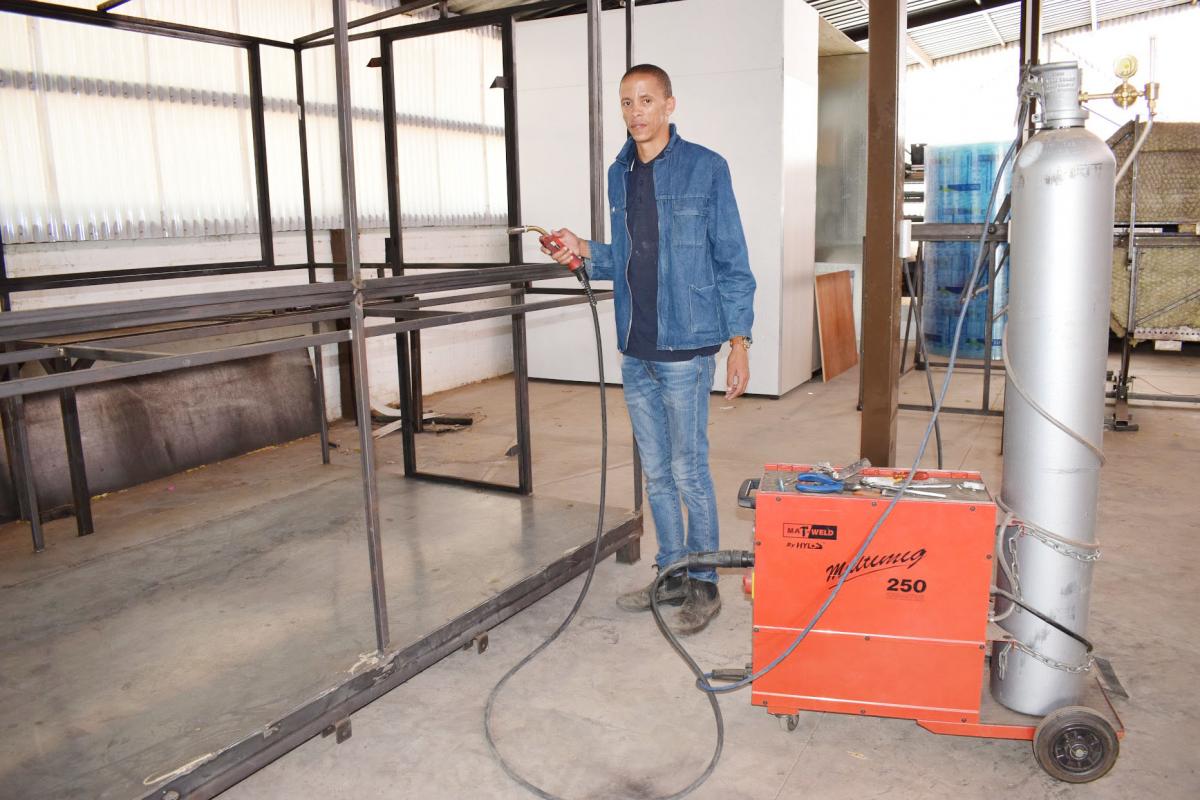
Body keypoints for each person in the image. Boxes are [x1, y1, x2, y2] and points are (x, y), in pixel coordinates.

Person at [542, 64, 755, 635]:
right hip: (634, 347)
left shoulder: (707, 168)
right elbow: (633, 259)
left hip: (685, 349)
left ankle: (705, 582)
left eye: (646, 101)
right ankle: (672, 574)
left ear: (669, 106)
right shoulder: (620, 174)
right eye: (626, 103)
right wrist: (584, 248)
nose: (636, 112)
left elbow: (733, 260)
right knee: (657, 474)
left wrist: (740, 342)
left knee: (689, 470)